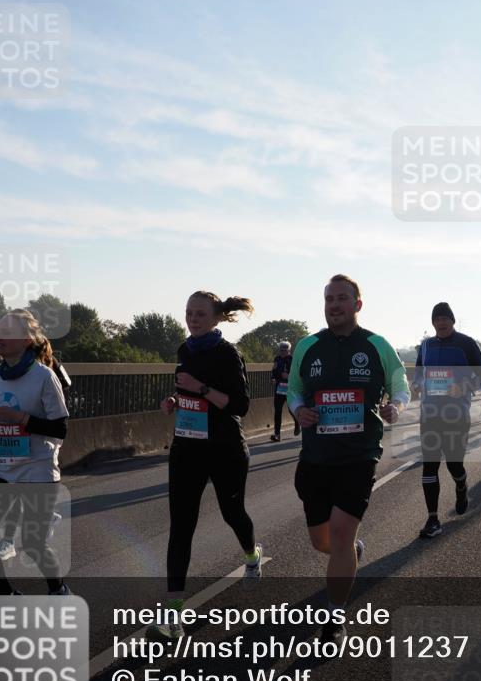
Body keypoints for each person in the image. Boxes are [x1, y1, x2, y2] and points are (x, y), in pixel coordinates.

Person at [287, 274, 409, 642]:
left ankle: (335, 616)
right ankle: (351, 551)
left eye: (342, 298)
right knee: (322, 542)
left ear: (358, 304)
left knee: (340, 535)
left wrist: (397, 407)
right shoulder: (308, 346)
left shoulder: (376, 345)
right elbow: (294, 389)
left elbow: (400, 383)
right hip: (316, 457)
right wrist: (298, 411)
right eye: (329, 299)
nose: (334, 305)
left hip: (359, 456)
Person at [148, 291, 261, 640]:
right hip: (187, 448)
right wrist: (174, 400)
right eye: (188, 313)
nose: (192, 319)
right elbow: (187, 393)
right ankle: (173, 616)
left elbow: (239, 405)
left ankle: (252, 554)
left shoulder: (228, 354)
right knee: (181, 527)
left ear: (215, 318)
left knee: (232, 513)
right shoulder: (185, 350)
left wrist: (201, 387)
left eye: (199, 314)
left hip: (224, 447)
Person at [0, 310, 71, 594]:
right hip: (2, 466)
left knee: (33, 544)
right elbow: (7, 414)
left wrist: (21, 418)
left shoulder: (44, 376)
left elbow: (60, 428)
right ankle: (7, 596)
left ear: (25, 340)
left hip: (38, 466)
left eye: (6, 333)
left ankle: (58, 590)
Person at [0, 346, 65, 560]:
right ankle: (12, 538)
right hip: (8, 437)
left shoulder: (46, 366)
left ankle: (24, 533)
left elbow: (64, 387)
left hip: (37, 440)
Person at [411, 303, 481, 538]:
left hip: (457, 415)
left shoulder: (466, 343)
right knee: (429, 466)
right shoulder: (426, 345)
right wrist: (416, 385)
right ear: (433, 322)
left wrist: (464, 386)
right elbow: (419, 374)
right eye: (437, 319)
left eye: (445, 318)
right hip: (430, 415)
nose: (441, 323)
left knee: (454, 464)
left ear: (452, 321)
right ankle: (433, 519)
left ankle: (461, 485)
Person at [270, 341, 300, 442]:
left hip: (290, 388)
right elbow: (273, 371)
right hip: (279, 388)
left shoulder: (293, 359)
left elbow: (298, 373)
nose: (282, 352)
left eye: (285, 350)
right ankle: (277, 434)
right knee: (277, 411)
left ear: (289, 350)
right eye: (281, 350)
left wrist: (289, 376)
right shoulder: (277, 359)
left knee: (291, 409)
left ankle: (297, 423)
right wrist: (273, 378)